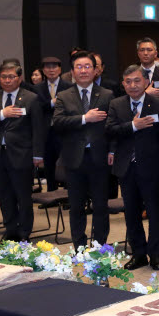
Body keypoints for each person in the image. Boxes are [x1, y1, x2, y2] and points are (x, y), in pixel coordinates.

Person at [106, 65, 159, 271]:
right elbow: (109, 130)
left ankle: (156, 254)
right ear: (123, 84)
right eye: (128, 82)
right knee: (131, 213)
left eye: (136, 81)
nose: (132, 85)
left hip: (152, 167)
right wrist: (133, 126)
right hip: (126, 167)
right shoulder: (117, 104)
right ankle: (139, 254)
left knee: (154, 212)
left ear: (146, 82)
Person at [52, 50, 115, 248]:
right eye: (79, 67)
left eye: (87, 66)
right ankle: (79, 246)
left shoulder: (107, 94)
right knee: (76, 206)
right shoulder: (63, 96)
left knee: (100, 205)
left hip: (99, 157)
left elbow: (113, 126)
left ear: (95, 71)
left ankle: (99, 246)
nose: (83, 70)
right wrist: (84, 118)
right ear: (72, 72)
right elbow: (57, 122)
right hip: (74, 158)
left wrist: (112, 150)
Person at [0, 62, 45, 241]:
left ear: (20, 78)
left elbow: (38, 128)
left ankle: (24, 232)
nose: (7, 80)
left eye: (11, 77)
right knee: (5, 196)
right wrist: (2, 113)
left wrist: (38, 154)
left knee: (23, 196)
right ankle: (10, 230)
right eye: (3, 77)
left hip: (22, 154)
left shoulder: (31, 98)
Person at [31, 56, 73, 191]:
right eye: (47, 67)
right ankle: (51, 193)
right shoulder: (36, 89)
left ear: (60, 69)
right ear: (43, 70)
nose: (51, 70)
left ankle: (68, 196)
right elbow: (37, 108)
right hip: (46, 132)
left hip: (63, 131)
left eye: (54, 67)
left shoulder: (69, 87)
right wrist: (51, 102)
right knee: (49, 164)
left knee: (66, 163)